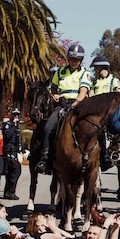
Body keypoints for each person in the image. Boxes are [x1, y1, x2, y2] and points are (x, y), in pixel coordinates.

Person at [35, 43, 92, 175]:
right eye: (72, 59)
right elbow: (54, 86)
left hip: (78, 105)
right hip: (62, 105)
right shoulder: (60, 71)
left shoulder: (85, 73)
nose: (73, 62)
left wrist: (77, 101)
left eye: (76, 60)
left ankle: (96, 156)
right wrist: (54, 94)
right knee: (48, 127)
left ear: (81, 61)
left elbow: (83, 90)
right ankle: (45, 157)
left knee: (92, 127)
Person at [0, 108, 23, 200]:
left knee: (11, 171)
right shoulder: (8, 124)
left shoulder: (16, 125)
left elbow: (18, 138)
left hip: (14, 150)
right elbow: (7, 135)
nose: (16, 116)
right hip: (8, 150)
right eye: (15, 114)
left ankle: (8, 191)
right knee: (15, 170)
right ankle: (10, 191)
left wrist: (22, 149)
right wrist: (13, 125)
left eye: (17, 115)